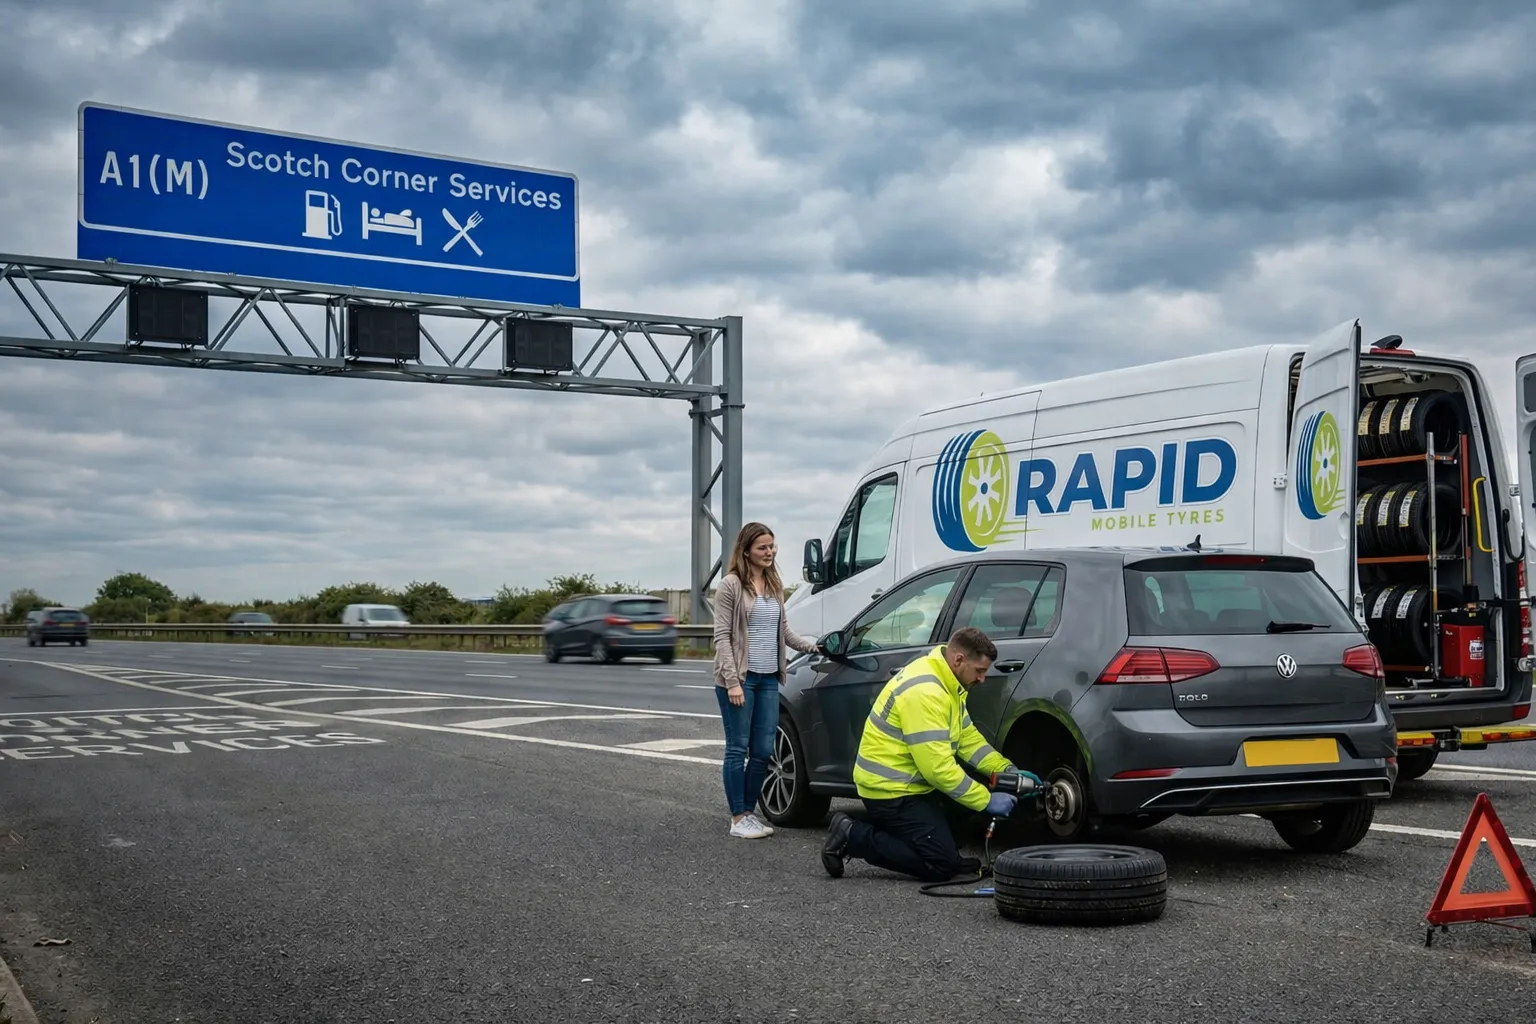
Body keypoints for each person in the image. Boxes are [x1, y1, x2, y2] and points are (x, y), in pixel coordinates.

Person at [819, 626, 1043, 881]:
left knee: (971, 801)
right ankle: (852, 834)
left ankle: (929, 839)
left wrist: (1006, 770)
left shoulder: (949, 682)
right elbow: (937, 769)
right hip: (891, 791)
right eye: (979, 671)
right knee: (941, 865)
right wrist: (986, 800)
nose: (982, 678)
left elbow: (968, 740)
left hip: (914, 784)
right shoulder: (926, 691)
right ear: (958, 659)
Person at [712, 522, 822, 839]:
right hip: (740, 679)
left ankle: (750, 813)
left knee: (762, 750)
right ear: (746, 550)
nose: (769, 552)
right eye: (762, 547)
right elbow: (721, 637)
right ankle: (737, 818)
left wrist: (811, 645)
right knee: (738, 747)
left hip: (769, 678)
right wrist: (732, 682)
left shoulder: (774, 585)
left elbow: (783, 631)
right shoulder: (731, 586)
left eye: (772, 546)